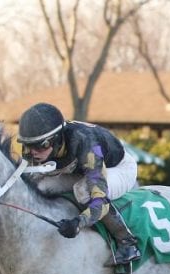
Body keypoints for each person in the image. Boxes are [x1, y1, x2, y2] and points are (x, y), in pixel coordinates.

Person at [17, 103, 140, 265]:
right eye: (28, 145)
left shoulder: (86, 143)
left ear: (57, 139)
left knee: (84, 190)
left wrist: (77, 223)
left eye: (41, 145)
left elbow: (99, 201)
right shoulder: (34, 150)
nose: (33, 152)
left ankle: (127, 242)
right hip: (79, 170)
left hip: (117, 168)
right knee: (41, 187)